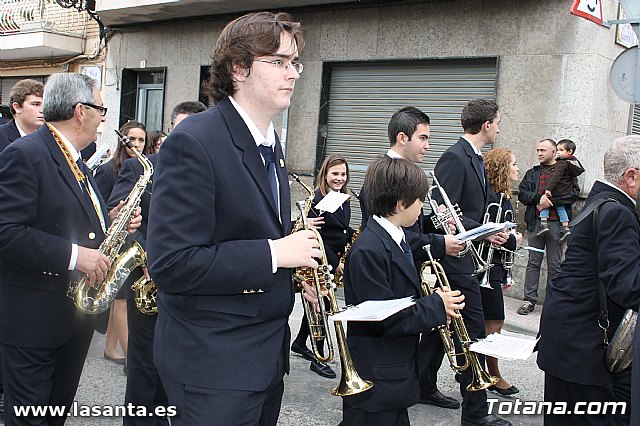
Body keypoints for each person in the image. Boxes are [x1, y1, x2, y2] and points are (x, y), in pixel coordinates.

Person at [146, 12, 323, 426]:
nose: (292, 73)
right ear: (238, 68)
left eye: (294, 62)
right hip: (212, 365)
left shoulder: (270, 141)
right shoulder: (194, 141)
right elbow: (172, 264)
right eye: (278, 62)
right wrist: (275, 254)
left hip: (261, 361)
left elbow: (244, 232)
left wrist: (293, 271)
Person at [0, 73, 141, 426]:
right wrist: (77, 255)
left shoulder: (74, 156)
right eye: (100, 108)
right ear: (81, 111)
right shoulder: (26, 154)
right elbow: (6, 231)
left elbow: (63, 216)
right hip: (33, 322)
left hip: (69, 318)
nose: (104, 117)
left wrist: (111, 220)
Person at [341, 156, 465, 425]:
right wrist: (435, 306)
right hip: (376, 378)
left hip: (394, 374)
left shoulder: (396, 237)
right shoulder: (368, 249)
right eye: (420, 200)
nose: (422, 208)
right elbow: (385, 317)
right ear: (400, 204)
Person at [358, 106, 464, 409]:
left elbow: (407, 228)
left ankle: (421, 383)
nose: (428, 146)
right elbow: (395, 231)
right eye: (424, 138)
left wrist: (434, 221)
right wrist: (441, 243)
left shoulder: (404, 182)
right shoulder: (382, 177)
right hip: (380, 368)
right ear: (402, 137)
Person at [537, 135, 640, 426]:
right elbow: (629, 286)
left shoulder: (602, 201)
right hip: (582, 348)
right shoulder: (617, 212)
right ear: (630, 176)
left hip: (569, 342)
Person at [432, 99, 512, 426]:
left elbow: (469, 211)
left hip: (468, 257)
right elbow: (441, 209)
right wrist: (471, 235)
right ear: (486, 125)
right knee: (473, 333)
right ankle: (475, 416)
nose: (499, 127)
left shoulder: (476, 158)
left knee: (448, 331)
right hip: (456, 262)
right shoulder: (455, 156)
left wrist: (486, 233)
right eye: (497, 122)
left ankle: (424, 385)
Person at [108, 150, 164, 425]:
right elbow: (118, 218)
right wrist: (148, 255)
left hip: (187, 284)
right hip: (146, 280)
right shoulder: (139, 168)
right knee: (144, 366)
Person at [290, 154, 355, 379]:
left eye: (343, 174)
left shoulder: (343, 198)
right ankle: (319, 358)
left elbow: (342, 231)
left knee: (322, 304)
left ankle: (299, 343)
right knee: (320, 307)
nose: (339, 178)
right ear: (325, 175)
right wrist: (336, 264)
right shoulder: (316, 200)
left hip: (332, 261)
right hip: (319, 261)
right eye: (334, 174)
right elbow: (315, 236)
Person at [95, 121, 148, 368]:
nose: (136, 144)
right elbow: (103, 210)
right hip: (119, 242)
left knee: (120, 299)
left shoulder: (142, 166)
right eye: (132, 139)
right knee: (120, 300)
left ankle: (110, 347)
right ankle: (130, 358)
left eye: (141, 140)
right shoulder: (108, 171)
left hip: (133, 241)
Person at [516, 138, 580, 315]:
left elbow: (574, 194)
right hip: (536, 223)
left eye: (543, 150)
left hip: (557, 225)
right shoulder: (532, 173)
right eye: (537, 150)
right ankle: (529, 300)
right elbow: (523, 193)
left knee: (556, 265)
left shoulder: (567, 171)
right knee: (533, 263)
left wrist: (550, 202)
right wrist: (538, 199)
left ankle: (553, 302)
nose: (539, 153)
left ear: (554, 152)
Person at [478, 147, 523, 396]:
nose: (517, 168)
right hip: (487, 267)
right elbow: (498, 235)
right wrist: (512, 239)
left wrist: (514, 236)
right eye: (514, 164)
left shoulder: (505, 198)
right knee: (494, 321)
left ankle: (479, 369)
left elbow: (512, 233)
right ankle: (493, 375)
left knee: (487, 321)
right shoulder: (492, 197)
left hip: (495, 266)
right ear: (502, 169)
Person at [536, 138, 585, 243]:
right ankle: (566, 228)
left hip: (556, 191)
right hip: (564, 193)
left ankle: (543, 224)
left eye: (561, 150)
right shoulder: (573, 164)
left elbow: (555, 177)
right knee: (561, 208)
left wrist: (548, 189)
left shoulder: (561, 163)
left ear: (569, 152)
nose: (558, 152)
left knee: (545, 203)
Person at [0, 79, 44, 151]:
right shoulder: (2, 137)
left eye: (45, 105)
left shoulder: (51, 138)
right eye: (35, 104)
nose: (42, 110)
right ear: (17, 107)